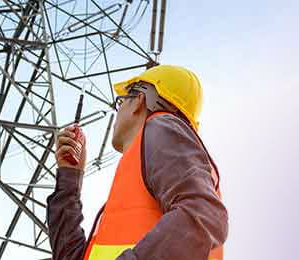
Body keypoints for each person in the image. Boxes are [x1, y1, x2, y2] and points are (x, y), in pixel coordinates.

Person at [47, 65, 228, 260]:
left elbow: (204, 214)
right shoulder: (136, 189)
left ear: (139, 100)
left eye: (120, 102)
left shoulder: (162, 125)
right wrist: (69, 177)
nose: (118, 113)